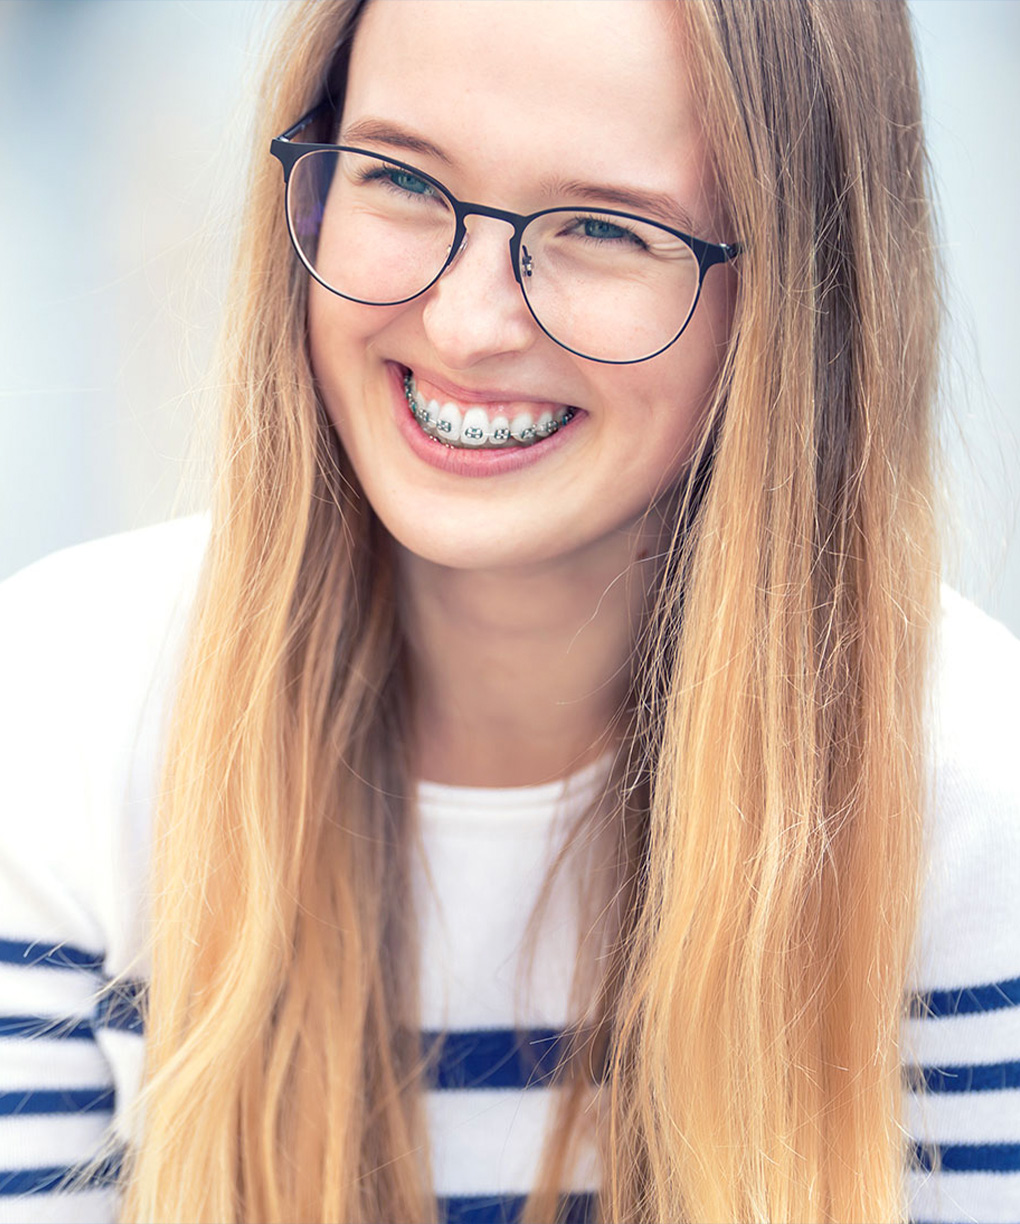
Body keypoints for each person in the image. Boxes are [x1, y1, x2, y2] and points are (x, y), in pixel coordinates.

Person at [1, 1, 1018, 1221]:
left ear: (801, 302)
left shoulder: (973, 801)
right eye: (400, 178)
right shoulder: (58, 719)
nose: (466, 324)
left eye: (604, 227)